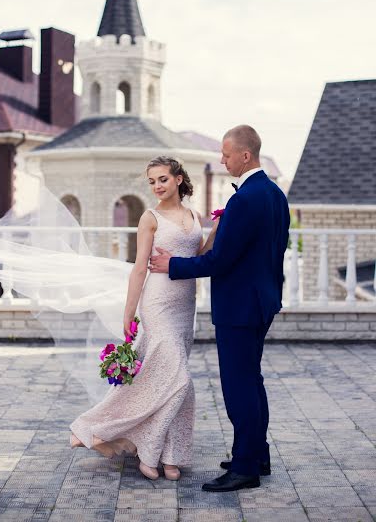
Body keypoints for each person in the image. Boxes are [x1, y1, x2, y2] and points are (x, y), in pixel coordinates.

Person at [150, 125, 290, 492]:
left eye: (226, 155)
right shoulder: (274, 193)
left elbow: (219, 261)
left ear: (246, 156)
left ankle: (245, 468)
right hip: (262, 300)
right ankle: (256, 454)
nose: (222, 160)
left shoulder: (245, 199)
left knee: (239, 386)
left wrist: (173, 267)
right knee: (252, 381)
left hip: (241, 306)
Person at [70, 156, 214, 481]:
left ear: (178, 179)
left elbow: (201, 257)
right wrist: (129, 311)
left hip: (185, 305)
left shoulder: (193, 215)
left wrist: (218, 228)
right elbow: (139, 268)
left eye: (162, 179)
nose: (157, 186)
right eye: (152, 181)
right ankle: (141, 447)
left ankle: (171, 456)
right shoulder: (150, 218)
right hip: (158, 302)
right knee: (179, 382)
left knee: (160, 378)